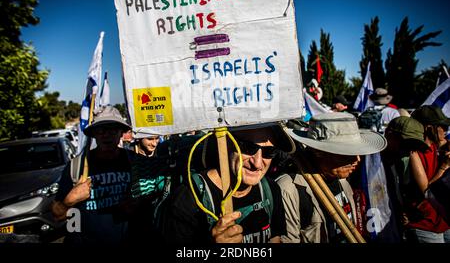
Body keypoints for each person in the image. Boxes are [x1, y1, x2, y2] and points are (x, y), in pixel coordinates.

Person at [161, 123, 296, 243]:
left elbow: (275, 239)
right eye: (248, 148)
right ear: (224, 144)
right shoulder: (189, 197)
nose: (258, 163)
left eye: (269, 152)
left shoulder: (270, 189)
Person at [277, 112, 387, 243]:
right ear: (319, 152)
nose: (357, 159)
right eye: (347, 153)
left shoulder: (343, 182)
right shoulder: (289, 189)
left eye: (357, 152)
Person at [50, 106, 133, 244]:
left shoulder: (135, 162)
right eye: (101, 130)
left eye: (113, 129)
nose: (106, 134)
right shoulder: (77, 166)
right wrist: (70, 200)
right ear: (94, 134)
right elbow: (57, 215)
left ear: (121, 133)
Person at [402, 105, 450, 243]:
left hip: (442, 219)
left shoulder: (435, 146)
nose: (446, 130)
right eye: (443, 126)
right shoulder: (414, 152)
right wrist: (444, 166)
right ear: (430, 128)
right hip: (424, 223)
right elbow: (426, 191)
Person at [379, 116, 429, 242]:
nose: (408, 150)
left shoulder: (403, 160)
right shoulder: (369, 161)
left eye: (413, 147)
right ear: (389, 134)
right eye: (405, 143)